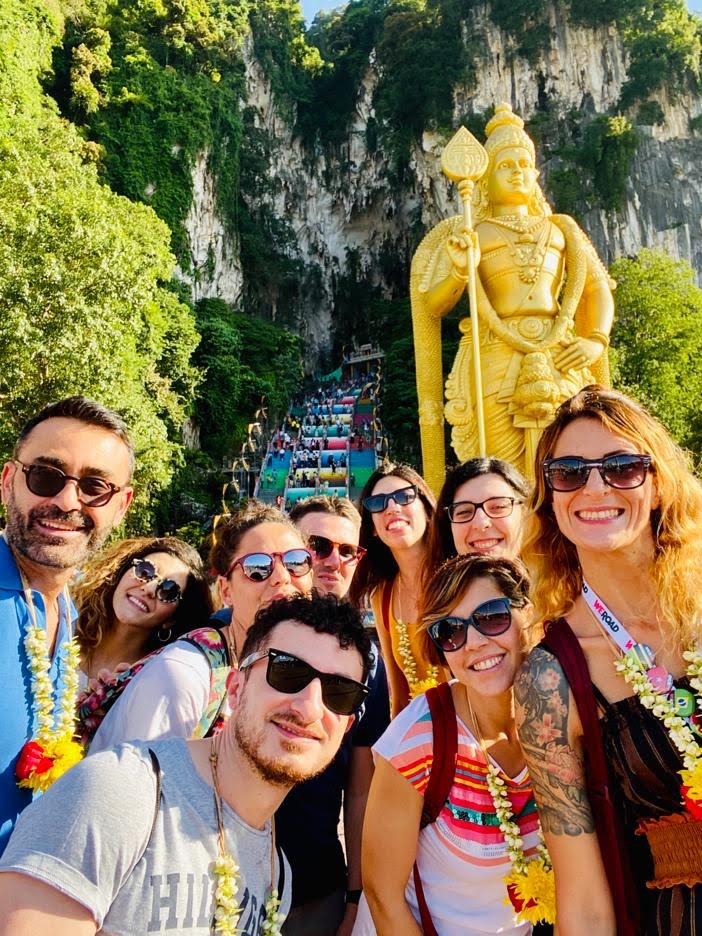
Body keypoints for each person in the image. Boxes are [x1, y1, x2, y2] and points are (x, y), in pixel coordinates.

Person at [0, 593, 374, 935]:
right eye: (288, 672)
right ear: (235, 688)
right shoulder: (121, 792)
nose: (309, 707)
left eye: (339, 692)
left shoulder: (277, 871)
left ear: (346, 726)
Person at [515, 385, 702, 935]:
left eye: (622, 466)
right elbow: (585, 901)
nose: (595, 487)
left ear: (659, 483)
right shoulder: (550, 679)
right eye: (569, 471)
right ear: (550, 496)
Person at [410, 103, 615, 492]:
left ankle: (570, 547)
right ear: (486, 176)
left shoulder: (560, 228)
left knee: (573, 460)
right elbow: (433, 304)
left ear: (536, 174)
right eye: (506, 165)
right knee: (501, 473)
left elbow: (597, 287)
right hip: (495, 355)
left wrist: (595, 340)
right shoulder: (472, 230)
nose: (518, 171)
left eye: (524, 164)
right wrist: (458, 268)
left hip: (560, 352)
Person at [353, 554, 550, 936]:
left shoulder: (560, 721)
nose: (473, 643)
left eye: (492, 616)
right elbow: (383, 896)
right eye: (451, 631)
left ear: (528, 615)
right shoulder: (419, 737)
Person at [0, 396, 134, 854]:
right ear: (7, 481)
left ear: (121, 506)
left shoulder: (67, 611)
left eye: (95, 486)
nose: (65, 501)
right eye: (45, 476)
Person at [88, 502, 313, 753]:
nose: (282, 576)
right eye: (257, 568)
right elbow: (135, 786)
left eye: (296, 561)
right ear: (226, 591)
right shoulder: (183, 675)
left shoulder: (293, 668)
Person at [282, 496, 390, 936]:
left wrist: (355, 896)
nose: (333, 560)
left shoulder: (368, 660)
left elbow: (360, 790)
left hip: (314, 880)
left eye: (348, 550)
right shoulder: (241, 636)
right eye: (317, 545)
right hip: (219, 871)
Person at [350, 464, 447, 717]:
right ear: (372, 526)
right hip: (423, 738)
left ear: (426, 509)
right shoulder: (383, 596)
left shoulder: (459, 581)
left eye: (405, 496)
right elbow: (400, 699)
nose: (392, 508)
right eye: (378, 503)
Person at [75, 536, 213, 686]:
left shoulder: (152, 683)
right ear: (121, 572)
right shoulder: (63, 619)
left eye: (169, 591)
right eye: (145, 570)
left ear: (171, 619)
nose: (149, 589)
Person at [426, 458, 528, 573]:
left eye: (498, 507)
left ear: (526, 512)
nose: (481, 524)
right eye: (464, 512)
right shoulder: (432, 589)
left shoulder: (550, 588)